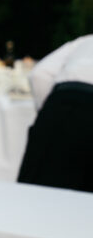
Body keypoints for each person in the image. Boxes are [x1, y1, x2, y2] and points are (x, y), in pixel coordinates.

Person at [17, 34, 93, 192]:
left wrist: (51, 114)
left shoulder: (84, 41)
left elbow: (39, 75)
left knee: (35, 194)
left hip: (60, 103)